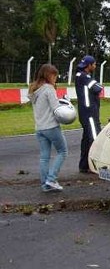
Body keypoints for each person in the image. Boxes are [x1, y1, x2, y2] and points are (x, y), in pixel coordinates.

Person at [28, 64, 68, 192]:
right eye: (54, 76)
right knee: (63, 151)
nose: (55, 78)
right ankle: (51, 179)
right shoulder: (49, 89)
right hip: (51, 126)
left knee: (44, 157)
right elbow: (56, 108)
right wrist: (66, 104)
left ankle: (45, 184)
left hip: (39, 128)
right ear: (48, 75)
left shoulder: (34, 90)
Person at [75, 55, 103, 173]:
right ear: (89, 66)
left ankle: (84, 164)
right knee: (95, 138)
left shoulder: (78, 75)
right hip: (90, 112)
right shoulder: (84, 76)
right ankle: (95, 165)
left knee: (86, 139)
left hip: (84, 111)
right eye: (94, 64)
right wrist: (99, 85)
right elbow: (98, 88)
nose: (95, 66)